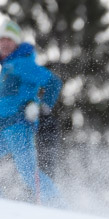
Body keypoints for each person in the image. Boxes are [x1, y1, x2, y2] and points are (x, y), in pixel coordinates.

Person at [0, 19, 63, 205]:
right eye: (2, 39)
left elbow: (53, 82)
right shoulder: (8, 67)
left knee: (28, 171)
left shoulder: (21, 64)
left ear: (17, 44)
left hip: (19, 125)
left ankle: (57, 206)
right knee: (27, 171)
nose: (4, 43)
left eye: (9, 40)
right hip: (5, 127)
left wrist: (43, 107)